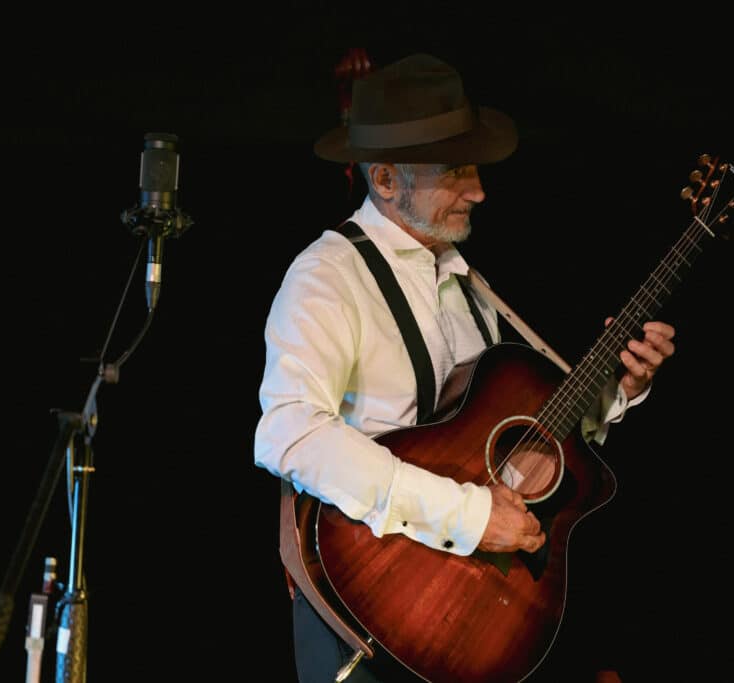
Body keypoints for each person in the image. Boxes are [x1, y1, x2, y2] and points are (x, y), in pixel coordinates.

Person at [253, 52, 677, 682]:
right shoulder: (326, 278)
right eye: (454, 171)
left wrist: (616, 391)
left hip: (467, 612)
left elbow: (505, 439)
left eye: (473, 168)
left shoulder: (461, 278)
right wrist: (471, 517)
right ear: (387, 180)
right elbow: (290, 434)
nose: (478, 190)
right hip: (373, 606)